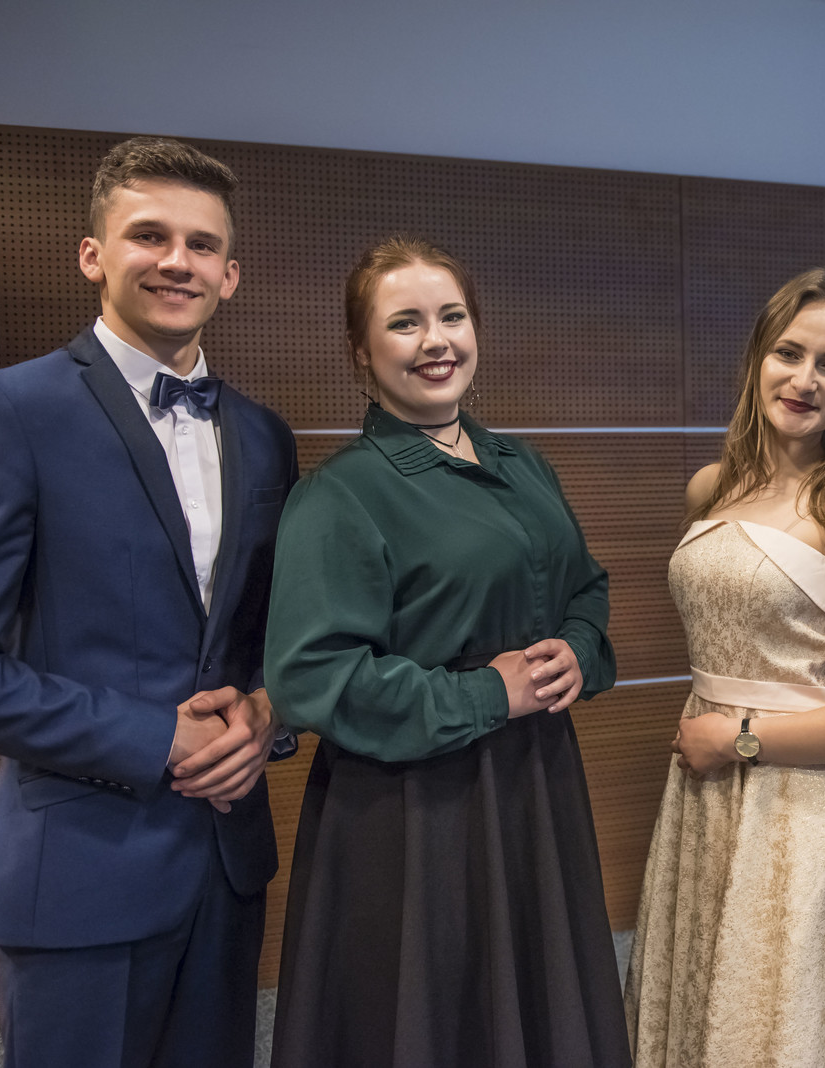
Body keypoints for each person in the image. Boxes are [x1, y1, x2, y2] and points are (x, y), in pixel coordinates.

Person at [0, 137, 297, 1066]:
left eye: (202, 244)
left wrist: (269, 715)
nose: (177, 260)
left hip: (227, 869)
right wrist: (157, 738)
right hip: (76, 878)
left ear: (230, 275)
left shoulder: (265, 436)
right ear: (93, 255)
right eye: (149, 235)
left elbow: (270, 641)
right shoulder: (9, 411)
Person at [265, 236, 629, 1067]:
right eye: (405, 323)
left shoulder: (522, 463)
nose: (436, 341)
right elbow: (312, 677)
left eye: (452, 316)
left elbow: (585, 585)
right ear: (362, 353)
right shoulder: (341, 494)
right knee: (434, 1022)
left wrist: (578, 648)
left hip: (535, 788)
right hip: (415, 812)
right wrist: (490, 696)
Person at [624, 267, 825, 1067]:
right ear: (757, 359)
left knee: (786, 1023)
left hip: (801, 806)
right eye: (789, 354)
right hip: (701, 797)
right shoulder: (710, 488)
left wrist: (738, 736)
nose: (805, 380)